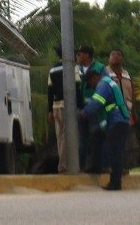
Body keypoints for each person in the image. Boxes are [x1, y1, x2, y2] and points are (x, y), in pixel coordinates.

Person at [82, 59, 131, 191]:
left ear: (95, 77)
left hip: (116, 121)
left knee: (115, 153)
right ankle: (110, 177)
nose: (92, 87)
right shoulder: (109, 82)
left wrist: (82, 113)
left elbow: (96, 103)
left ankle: (115, 183)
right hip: (121, 120)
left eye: (91, 83)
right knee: (115, 151)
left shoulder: (103, 84)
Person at [75, 45, 105, 173]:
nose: (77, 57)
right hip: (81, 110)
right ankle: (81, 167)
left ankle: (98, 166)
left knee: (97, 139)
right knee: (82, 142)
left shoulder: (100, 68)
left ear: (87, 55)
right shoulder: (77, 69)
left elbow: (104, 86)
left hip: (95, 110)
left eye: (79, 54)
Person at [47, 46, 75, 173]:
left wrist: (49, 111)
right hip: (68, 105)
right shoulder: (72, 68)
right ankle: (64, 166)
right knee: (67, 136)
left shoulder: (52, 69)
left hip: (56, 106)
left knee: (60, 136)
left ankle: (63, 165)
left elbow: (50, 91)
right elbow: (78, 87)